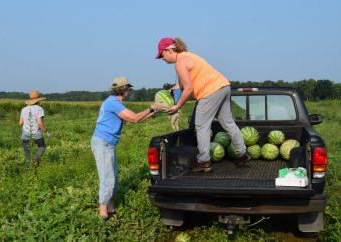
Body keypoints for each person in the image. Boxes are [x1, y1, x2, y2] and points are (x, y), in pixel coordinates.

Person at [156, 37, 250, 172]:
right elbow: (182, 85)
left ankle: (203, 161)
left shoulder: (180, 62)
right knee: (228, 122)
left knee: (201, 126)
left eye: (161, 55)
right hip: (223, 86)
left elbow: (188, 89)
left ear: (168, 50)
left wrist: (177, 106)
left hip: (209, 91)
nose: (162, 59)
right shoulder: (187, 56)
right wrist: (170, 93)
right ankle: (242, 154)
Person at [91, 76, 167, 219]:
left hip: (107, 144)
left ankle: (111, 208)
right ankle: (102, 214)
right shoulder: (113, 103)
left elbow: (137, 120)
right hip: (103, 143)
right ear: (125, 90)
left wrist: (155, 111)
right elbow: (134, 118)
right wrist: (152, 107)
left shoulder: (114, 102)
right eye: (128, 88)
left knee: (114, 177)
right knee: (108, 178)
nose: (129, 91)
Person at [19, 91, 50, 167]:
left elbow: (20, 123)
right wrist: (46, 132)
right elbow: (39, 123)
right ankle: (35, 159)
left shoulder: (24, 109)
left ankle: (27, 168)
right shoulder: (39, 109)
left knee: (27, 154)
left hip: (25, 133)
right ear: (38, 100)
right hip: (36, 133)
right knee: (42, 146)